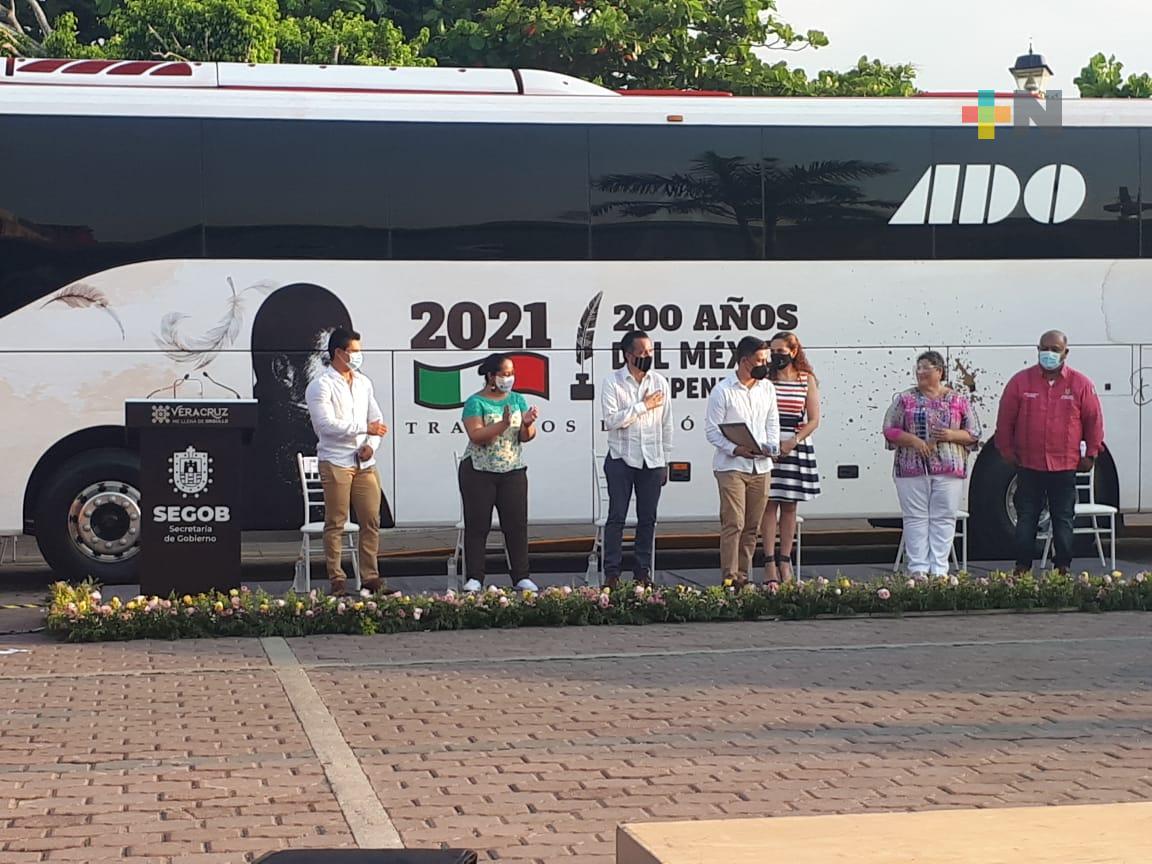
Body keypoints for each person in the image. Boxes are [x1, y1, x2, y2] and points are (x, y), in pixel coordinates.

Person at [996, 330, 1104, 575]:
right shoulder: (1020, 382)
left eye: (1055, 349)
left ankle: (1062, 568)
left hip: (1064, 465)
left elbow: (1093, 421)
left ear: (1065, 352)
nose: (1049, 354)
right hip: (1029, 465)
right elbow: (1005, 421)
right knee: (1027, 518)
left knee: (1063, 518)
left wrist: (1091, 454)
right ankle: (1022, 568)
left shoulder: (1081, 384)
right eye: (1045, 348)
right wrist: (1006, 450)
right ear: (1037, 349)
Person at [304, 327, 388, 595]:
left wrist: (370, 446)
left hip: (364, 463)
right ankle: (337, 579)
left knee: (371, 520)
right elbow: (326, 425)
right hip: (336, 461)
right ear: (338, 353)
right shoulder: (320, 385)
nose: (357, 356)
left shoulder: (363, 383)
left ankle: (370, 578)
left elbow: (377, 421)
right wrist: (364, 430)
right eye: (353, 351)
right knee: (336, 522)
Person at [882, 351, 981, 578]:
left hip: (948, 467)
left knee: (944, 516)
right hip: (911, 467)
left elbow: (974, 433)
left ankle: (939, 569)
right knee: (915, 517)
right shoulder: (905, 399)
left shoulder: (958, 400)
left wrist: (950, 434)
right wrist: (913, 440)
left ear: (940, 372)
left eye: (926, 368)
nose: (920, 372)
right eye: (918, 368)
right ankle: (917, 568)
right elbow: (889, 429)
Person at [704, 336, 781, 589]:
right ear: (745, 360)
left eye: (766, 360)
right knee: (734, 522)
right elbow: (712, 431)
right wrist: (735, 448)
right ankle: (729, 577)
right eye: (760, 360)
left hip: (761, 466)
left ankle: (743, 577)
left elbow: (772, 423)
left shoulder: (766, 388)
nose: (765, 365)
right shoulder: (723, 390)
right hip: (731, 466)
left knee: (752, 525)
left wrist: (771, 447)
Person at [459, 353, 540, 593]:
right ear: (491, 376)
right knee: (478, 525)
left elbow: (526, 437)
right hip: (479, 471)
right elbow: (476, 435)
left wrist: (527, 423)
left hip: (512, 470)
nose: (509, 378)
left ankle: (521, 576)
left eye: (511, 373)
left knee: (516, 525)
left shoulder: (517, 399)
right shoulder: (475, 402)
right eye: (504, 374)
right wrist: (502, 424)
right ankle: (475, 577)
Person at [600, 330, 673, 588]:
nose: (647, 357)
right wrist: (643, 406)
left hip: (652, 460)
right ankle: (612, 573)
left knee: (647, 518)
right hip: (621, 458)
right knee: (617, 516)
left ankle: (643, 572)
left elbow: (666, 425)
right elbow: (611, 421)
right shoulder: (613, 382)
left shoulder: (659, 383)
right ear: (628, 355)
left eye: (650, 352)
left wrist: (665, 460)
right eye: (642, 353)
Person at [759, 331, 821, 586]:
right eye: (772, 352)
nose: (776, 357)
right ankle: (769, 563)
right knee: (768, 504)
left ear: (793, 352)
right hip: (769, 445)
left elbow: (814, 419)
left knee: (790, 507)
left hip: (796, 443)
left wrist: (792, 441)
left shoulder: (806, 379)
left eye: (780, 352)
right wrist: (771, 445)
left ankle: (786, 560)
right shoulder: (765, 380)